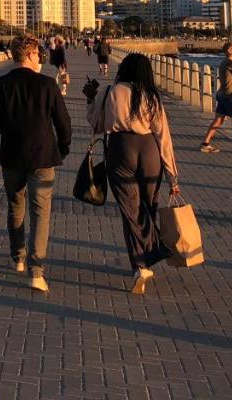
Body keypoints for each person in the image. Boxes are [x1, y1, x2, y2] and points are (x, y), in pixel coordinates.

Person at [0, 34, 73, 292]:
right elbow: (63, 122)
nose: (40, 59)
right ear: (32, 54)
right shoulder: (47, 85)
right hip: (43, 157)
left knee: (15, 207)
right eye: (38, 55)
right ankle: (36, 270)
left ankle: (18, 256)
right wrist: (64, 148)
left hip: (11, 157)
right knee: (41, 213)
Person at [85, 53, 180, 294]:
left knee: (131, 209)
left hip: (120, 149)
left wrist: (90, 99)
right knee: (148, 206)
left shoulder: (111, 91)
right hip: (149, 151)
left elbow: (96, 124)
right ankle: (150, 253)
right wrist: (172, 176)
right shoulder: (151, 96)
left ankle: (141, 264)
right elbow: (164, 136)